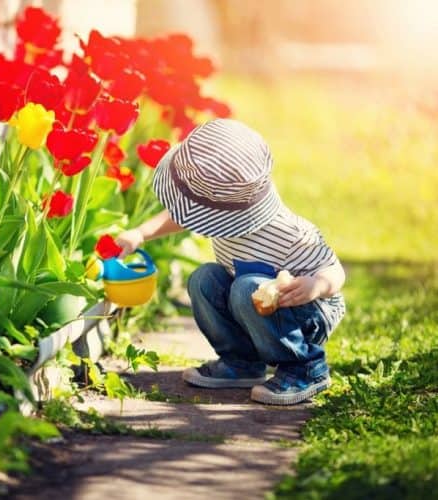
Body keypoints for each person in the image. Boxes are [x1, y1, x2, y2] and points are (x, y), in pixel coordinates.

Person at [116, 119, 345, 405]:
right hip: (251, 305)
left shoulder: (289, 233)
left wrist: (316, 285)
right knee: (204, 279)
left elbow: (334, 270)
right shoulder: (222, 211)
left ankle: (307, 368)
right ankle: (242, 362)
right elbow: (182, 216)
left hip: (306, 312)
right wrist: (140, 233)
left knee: (246, 288)